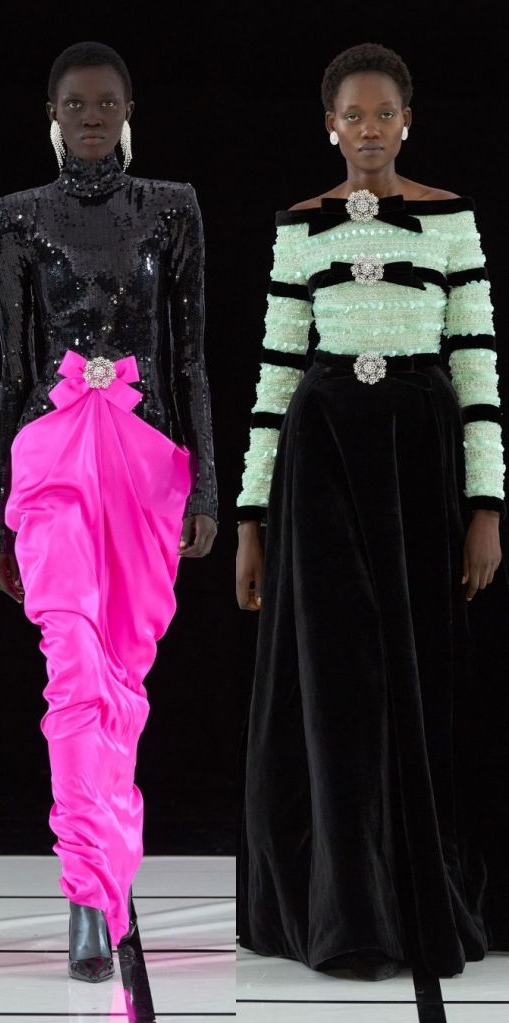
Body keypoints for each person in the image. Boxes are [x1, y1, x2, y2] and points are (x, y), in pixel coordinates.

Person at [236, 42, 507, 981]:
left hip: (420, 463)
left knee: (417, 673)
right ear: (329, 126)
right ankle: (348, 909)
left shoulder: (449, 218)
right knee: (337, 681)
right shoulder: (298, 227)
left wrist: (486, 504)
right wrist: (250, 518)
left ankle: (419, 896)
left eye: (383, 113)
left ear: (407, 120)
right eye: (351, 116)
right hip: (320, 464)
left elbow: (476, 363)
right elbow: (275, 373)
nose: (368, 130)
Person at [0, 41, 217, 982]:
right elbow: (10, 370)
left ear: (127, 109)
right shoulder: (16, 216)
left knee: (121, 680)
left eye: (105, 102)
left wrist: (206, 485)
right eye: (74, 103)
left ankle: (109, 878)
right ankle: (85, 894)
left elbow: (190, 355)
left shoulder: (172, 207)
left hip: (147, 464)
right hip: (49, 461)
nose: (90, 116)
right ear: (51, 111)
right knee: (74, 669)